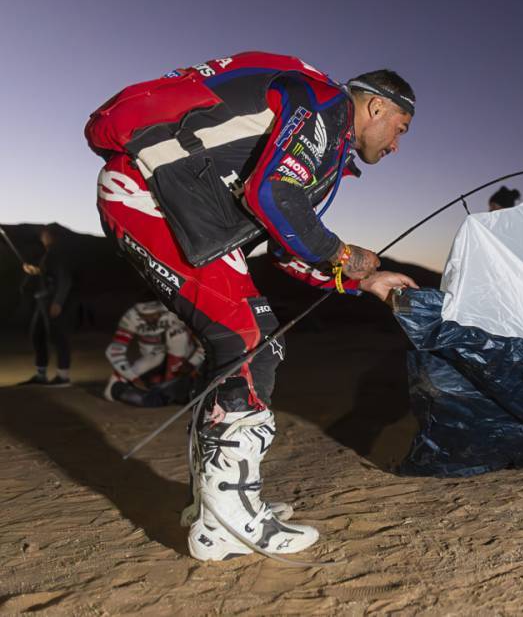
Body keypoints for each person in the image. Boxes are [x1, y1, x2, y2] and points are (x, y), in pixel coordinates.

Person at [85, 52, 418, 561]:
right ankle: (226, 518)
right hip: (148, 196)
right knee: (248, 340)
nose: (398, 145)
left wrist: (366, 282)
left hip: (170, 205)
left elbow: (287, 247)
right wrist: (343, 254)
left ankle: (212, 510)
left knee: (250, 343)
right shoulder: (323, 105)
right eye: (401, 127)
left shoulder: (324, 146)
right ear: (375, 106)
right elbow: (273, 194)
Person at [103, 300, 205, 406]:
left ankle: (168, 384)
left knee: (176, 335)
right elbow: (114, 350)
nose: (151, 319)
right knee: (109, 392)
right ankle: (159, 385)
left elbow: (205, 344)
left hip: (185, 361)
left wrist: (192, 362)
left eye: (155, 314)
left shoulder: (175, 312)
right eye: (146, 316)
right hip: (153, 357)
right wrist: (133, 377)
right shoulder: (132, 316)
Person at [18, 224, 74, 387]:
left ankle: (63, 377)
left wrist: (58, 302)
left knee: (58, 338)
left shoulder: (59, 254)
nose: (42, 236)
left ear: (53, 236)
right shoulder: (48, 254)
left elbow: (65, 279)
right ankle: (41, 375)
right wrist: (34, 271)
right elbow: (48, 274)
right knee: (37, 335)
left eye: (45, 233)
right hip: (42, 301)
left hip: (51, 301)